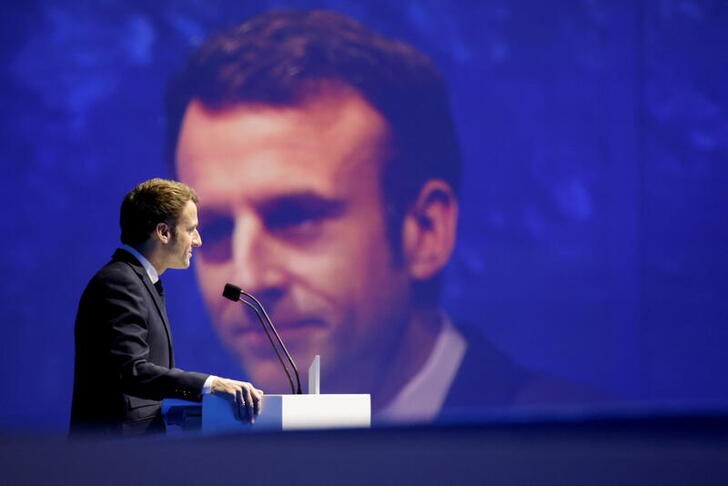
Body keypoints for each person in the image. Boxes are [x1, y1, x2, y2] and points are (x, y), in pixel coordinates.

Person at [167, 10, 603, 423]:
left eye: (297, 218)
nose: (248, 279)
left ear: (425, 232)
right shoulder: (178, 459)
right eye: (215, 229)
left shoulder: (589, 457)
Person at [70, 178, 263, 437]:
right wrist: (211, 384)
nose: (198, 241)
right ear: (163, 232)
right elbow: (132, 371)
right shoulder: (119, 282)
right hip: (114, 456)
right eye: (191, 229)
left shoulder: (139, 281)